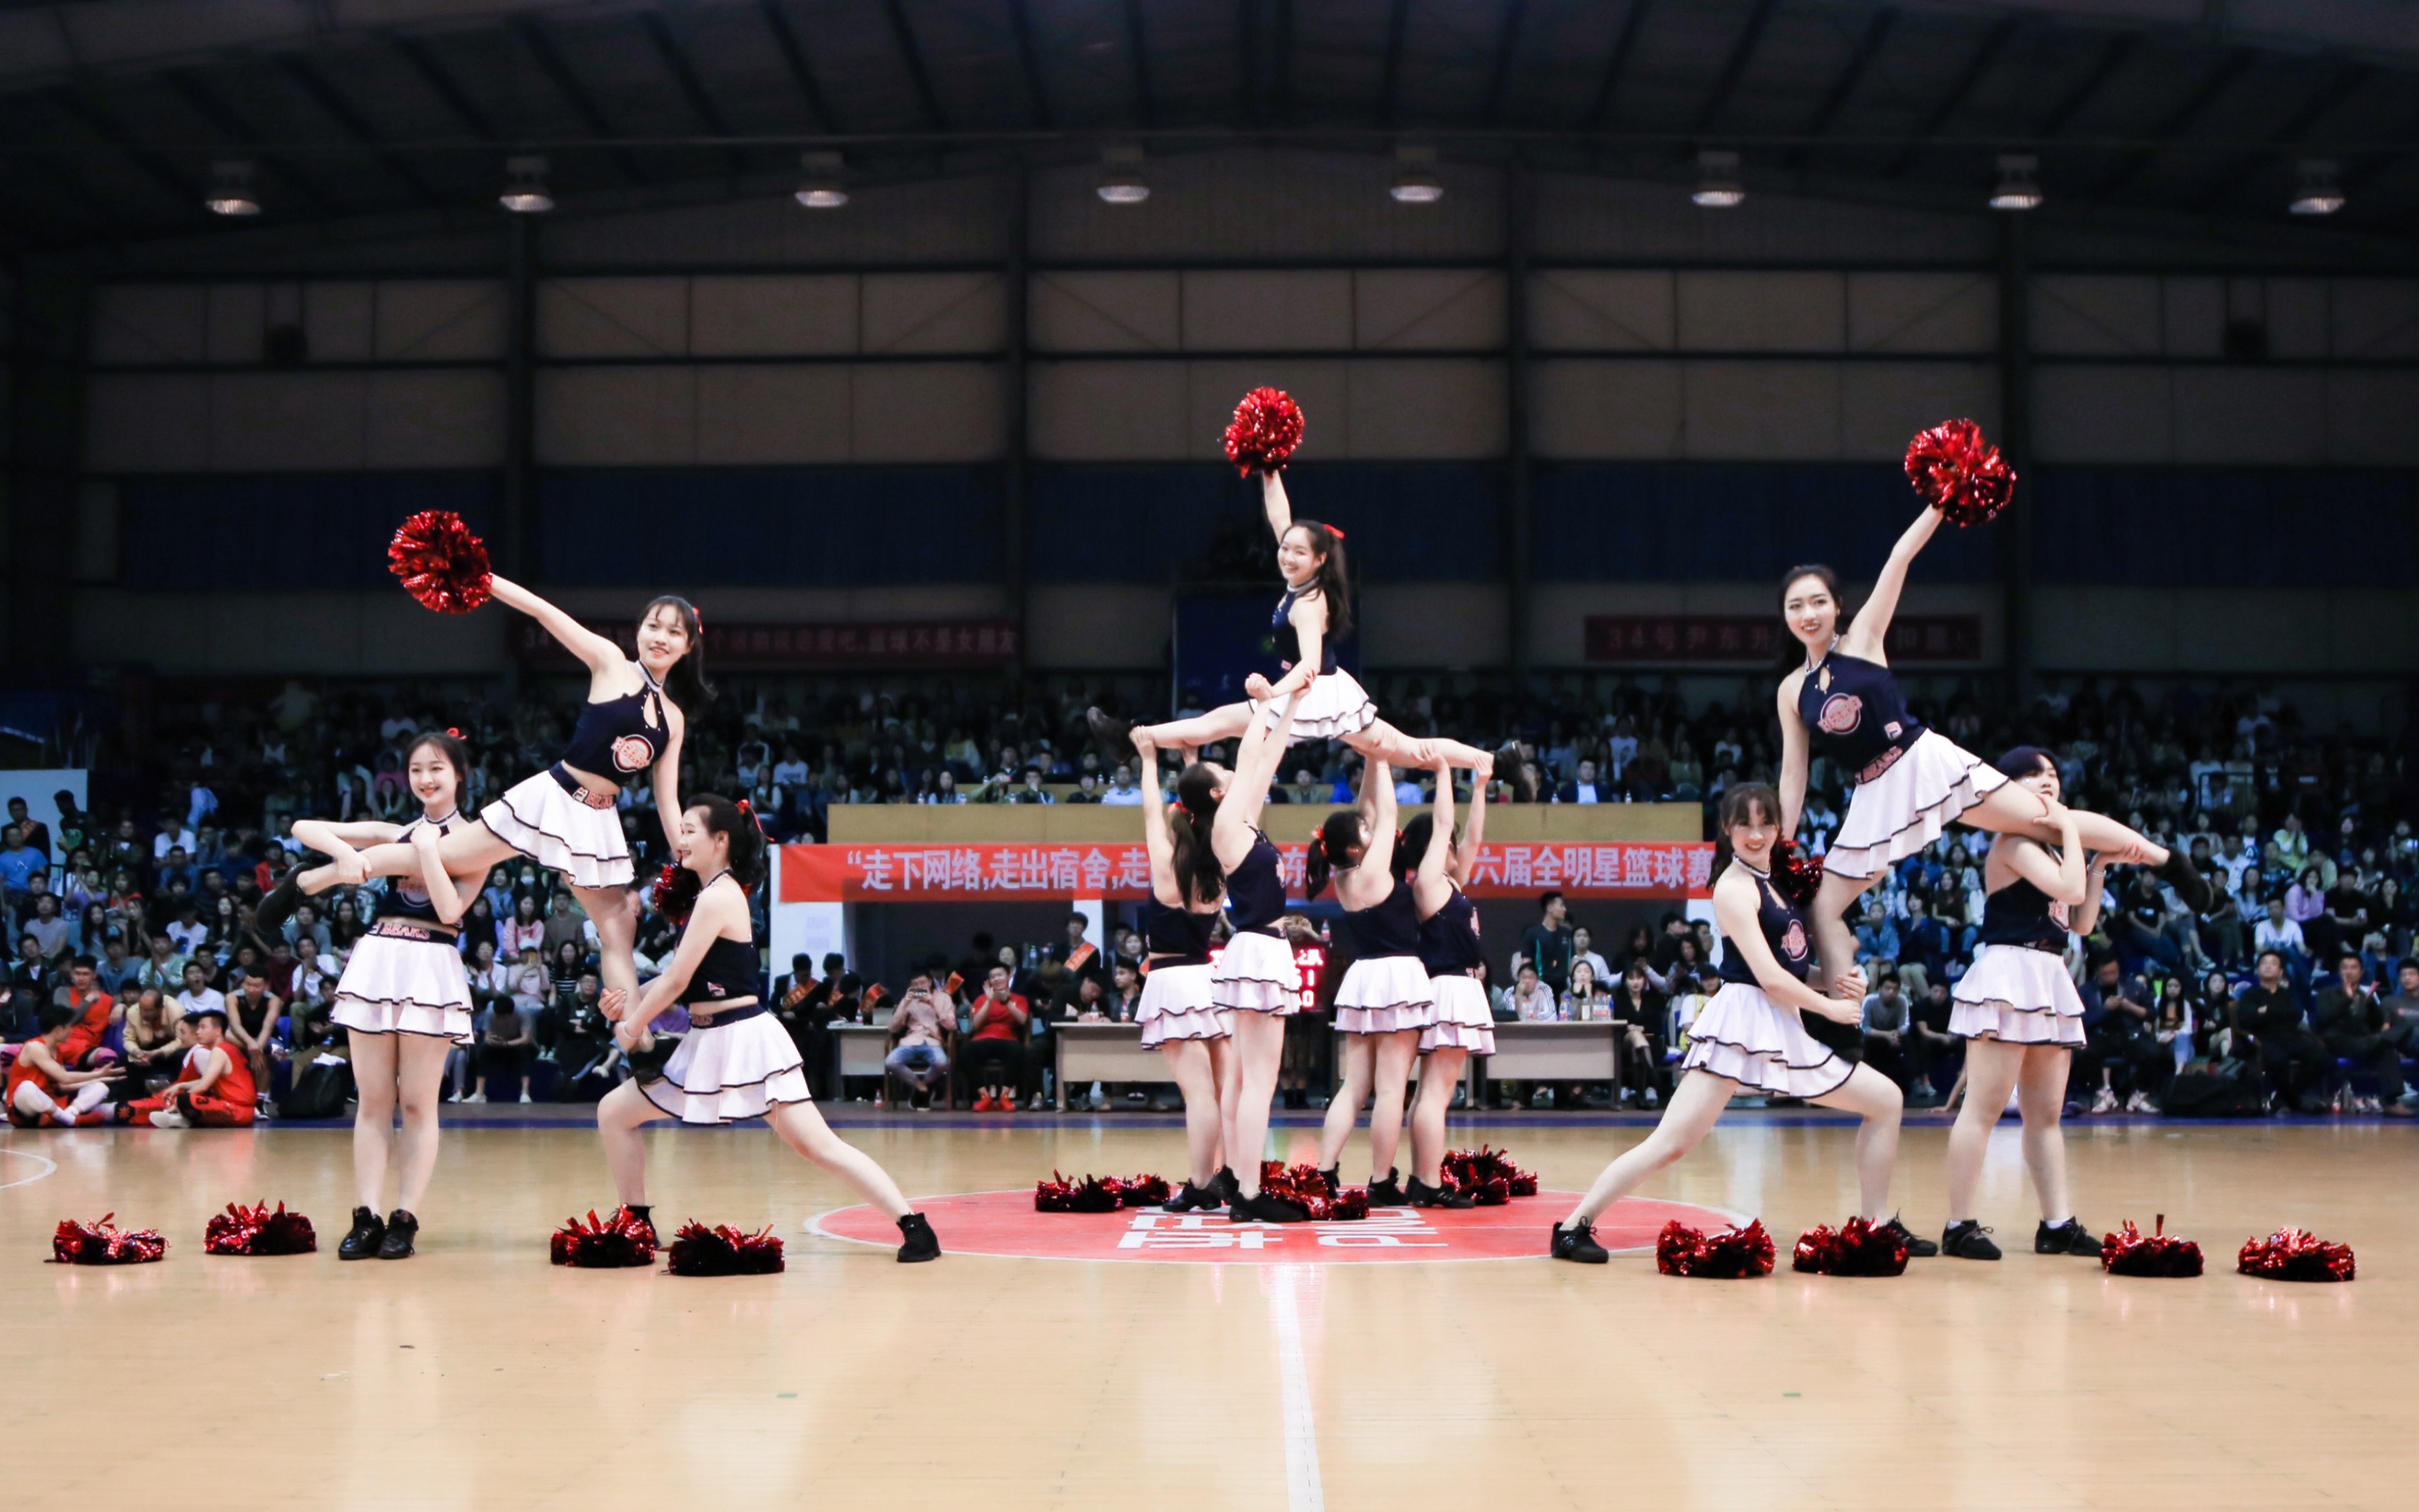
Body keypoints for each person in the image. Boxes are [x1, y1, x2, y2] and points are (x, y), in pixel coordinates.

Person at [1775, 522, 2206, 993]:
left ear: (1837, 606)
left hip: (1922, 760)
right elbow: (1794, 775)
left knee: (2043, 822)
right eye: (1795, 606)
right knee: (1819, 908)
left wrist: (1941, 502)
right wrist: (1782, 845)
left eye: (1818, 601)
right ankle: (1844, 1017)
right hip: (1872, 791)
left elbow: (1899, 556)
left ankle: (2167, 861)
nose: (1808, 613)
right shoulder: (1791, 689)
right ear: (1785, 617)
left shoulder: (1863, 638)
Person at [264, 581, 707, 1012]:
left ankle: (636, 1039)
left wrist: (685, 855)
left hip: (597, 819)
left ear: (688, 647)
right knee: (441, 857)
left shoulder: (674, 718)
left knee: (619, 925)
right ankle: (307, 882)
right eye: (654, 625)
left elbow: (667, 801)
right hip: (553, 797)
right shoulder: (612, 662)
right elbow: (542, 611)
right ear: (639, 630)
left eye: (673, 631)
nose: (660, 637)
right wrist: (483, 578)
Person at [1553, 783, 1932, 1264]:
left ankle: (1877, 1229)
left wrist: (1834, 981)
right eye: (1745, 824)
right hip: (1744, 1022)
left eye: (1766, 823)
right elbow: (1769, 977)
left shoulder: (1775, 882)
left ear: (1778, 827)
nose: (1757, 833)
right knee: (1670, 1144)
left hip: (1778, 1023)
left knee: (1885, 1101)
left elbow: (1791, 969)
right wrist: (1831, 1008)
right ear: (1727, 830)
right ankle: (1572, 1227)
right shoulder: (1732, 888)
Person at [596, 795, 939, 1263]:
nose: (680, 839)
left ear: (720, 841)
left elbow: (676, 979)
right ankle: (636, 1221)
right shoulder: (709, 893)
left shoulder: (720, 895)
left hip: (744, 1038)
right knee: (615, 1112)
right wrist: (625, 1003)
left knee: (818, 1146)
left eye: (690, 830)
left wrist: (632, 1024)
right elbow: (680, 977)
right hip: (708, 1038)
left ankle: (914, 1225)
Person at [1092, 469, 1526, 796]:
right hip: (1318, 689)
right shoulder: (1299, 577)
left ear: (1319, 560)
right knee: (1408, 750)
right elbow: (1280, 516)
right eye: (1284, 548)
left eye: (1299, 551)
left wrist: (1269, 694)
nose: (1287, 555)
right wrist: (1269, 468)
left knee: (1214, 725)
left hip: (1312, 690)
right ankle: (1498, 762)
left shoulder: (1308, 604)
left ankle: (1130, 738)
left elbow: (1311, 667)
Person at [298, 732, 487, 1260]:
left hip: (432, 961)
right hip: (379, 956)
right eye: (417, 769)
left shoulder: (476, 840)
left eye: (437, 769)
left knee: (417, 1102)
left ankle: (404, 1218)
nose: (426, 778)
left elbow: (451, 911)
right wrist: (347, 856)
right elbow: (305, 826)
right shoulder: (396, 829)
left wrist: (425, 852)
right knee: (373, 1100)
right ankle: (365, 1215)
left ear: (459, 775)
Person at [1939, 747, 2108, 1260]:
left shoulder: (2052, 850)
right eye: (2032, 774)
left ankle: (2055, 1223)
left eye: (2052, 774)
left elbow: (2079, 921)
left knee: (2046, 1114)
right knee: (1983, 1109)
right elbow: (2068, 887)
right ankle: (1959, 1223)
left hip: (2048, 972)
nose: (2046, 780)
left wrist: (2100, 862)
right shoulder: (2011, 842)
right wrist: (2076, 831)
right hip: (2009, 972)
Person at [1310, 757, 1432, 1205]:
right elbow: (1389, 815)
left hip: (1364, 976)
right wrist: (1380, 756)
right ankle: (1381, 1181)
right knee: (1391, 1089)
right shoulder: (1374, 871)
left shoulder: (1343, 877)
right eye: (1363, 833)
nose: (1369, 830)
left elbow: (1368, 815)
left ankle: (1324, 1171)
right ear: (1358, 847)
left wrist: (1367, 760)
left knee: (1354, 1087)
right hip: (1396, 974)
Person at [1202, 693, 1305, 1221]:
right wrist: (1263, 703)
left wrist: (1289, 707)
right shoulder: (1225, 827)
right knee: (1256, 1082)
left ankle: (1236, 1180)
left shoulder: (1243, 823)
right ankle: (1246, 1190)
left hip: (1259, 947)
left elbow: (1265, 760)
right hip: (1258, 950)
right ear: (1216, 791)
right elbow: (1250, 759)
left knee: (1244, 1080)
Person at [1131, 727, 1232, 1211]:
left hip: (1173, 980)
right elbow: (1191, 810)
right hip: (1208, 978)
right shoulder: (1220, 863)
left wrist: (1148, 758)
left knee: (1199, 1095)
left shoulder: (1167, 867)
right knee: (1220, 1089)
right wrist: (1192, 757)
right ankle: (1227, 1176)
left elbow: (1153, 809)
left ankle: (1200, 1184)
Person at [1403, 757, 1494, 1207]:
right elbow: (1444, 825)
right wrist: (1443, 773)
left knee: (1430, 1092)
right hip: (1448, 988)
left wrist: (1480, 786)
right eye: (1447, 842)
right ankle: (1429, 1182)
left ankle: (1422, 1178)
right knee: (1437, 1093)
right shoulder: (1429, 885)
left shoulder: (1450, 884)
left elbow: (1472, 836)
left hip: (1451, 988)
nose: (1457, 844)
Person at [121, 1005, 256, 1127]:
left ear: (218, 1030)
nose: (198, 1032)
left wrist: (178, 1104)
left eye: (203, 1027)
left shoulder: (219, 1050)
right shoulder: (226, 1048)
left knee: (186, 1100)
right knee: (185, 1099)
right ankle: (180, 1119)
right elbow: (210, 1081)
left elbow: (204, 1086)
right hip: (240, 1109)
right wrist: (181, 1086)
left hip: (237, 1109)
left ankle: (178, 1117)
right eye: (198, 1028)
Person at [2233, 950, 2330, 1115]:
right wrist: (2273, 1012)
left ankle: (2285, 1098)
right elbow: (2247, 1017)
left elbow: (2296, 1014)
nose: (2268, 966)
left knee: (2323, 1058)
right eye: (2264, 963)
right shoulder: (2250, 994)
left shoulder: (2288, 994)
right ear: (2257, 970)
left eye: (2273, 963)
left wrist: (2265, 1011)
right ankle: (2290, 1101)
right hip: (2264, 1037)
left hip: (2292, 1035)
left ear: (2281, 971)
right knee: (2278, 1058)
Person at [2313, 953, 2407, 1115]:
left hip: (2362, 1041)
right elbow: (2321, 1019)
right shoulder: (2326, 993)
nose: (2349, 971)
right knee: (2382, 1042)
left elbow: (2376, 1024)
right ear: (2339, 971)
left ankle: (2391, 1102)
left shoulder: (2365, 995)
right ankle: (2383, 1041)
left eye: (2354, 967)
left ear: (2361, 972)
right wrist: (2347, 999)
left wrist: (2371, 1005)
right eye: (2345, 967)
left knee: (2388, 1043)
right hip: (2337, 1041)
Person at [5, 1006, 115, 1126]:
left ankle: (68, 1115)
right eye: (69, 1027)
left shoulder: (57, 1051)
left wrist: (98, 1079)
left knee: (100, 1087)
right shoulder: (35, 1047)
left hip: (51, 1106)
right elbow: (64, 1077)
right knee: (27, 1088)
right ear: (58, 1030)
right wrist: (96, 1074)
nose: (71, 1031)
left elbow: (63, 1086)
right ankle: (70, 1120)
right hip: (25, 1108)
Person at [963, 964, 1030, 1112]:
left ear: (1008, 978)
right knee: (965, 1051)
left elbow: (1022, 1020)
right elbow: (975, 1026)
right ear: (989, 982)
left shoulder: (1019, 999)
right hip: (983, 1039)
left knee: (1018, 1050)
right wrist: (989, 1001)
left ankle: (1004, 1097)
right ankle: (984, 1097)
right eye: (993, 977)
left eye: (1000, 975)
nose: (997, 979)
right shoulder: (981, 999)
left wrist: (1006, 1001)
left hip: (1008, 1039)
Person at [882, 971, 952, 1109]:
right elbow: (893, 1028)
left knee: (942, 1062)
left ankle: (923, 1084)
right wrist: (905, 1003)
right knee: (890, 1061)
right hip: (911, 1041)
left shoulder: (944, 998)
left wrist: (932, 1003)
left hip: (933, 1042)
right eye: (915, 985)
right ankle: (919, 1086)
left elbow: (952, 1025)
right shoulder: (908, 1000)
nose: (919, 987)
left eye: (922, 983)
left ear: (930, 982)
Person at [1610, 960, 1668, 1108]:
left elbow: (1657, 1026)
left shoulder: (1653, 1000)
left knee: (1638, 1046)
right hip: (1624, 1042)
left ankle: (1641, 1096)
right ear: (1625, 981)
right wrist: (1629, 1027)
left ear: (1644, 980)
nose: (1635, 982)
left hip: (1651, 1042)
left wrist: (1642, 1027)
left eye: (1639, 978)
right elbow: (1614, 1024)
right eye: (1631, 978)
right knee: (1635, 1037)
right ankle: (1652, 1076)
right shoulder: (1619, 1000)